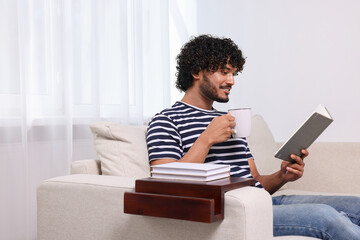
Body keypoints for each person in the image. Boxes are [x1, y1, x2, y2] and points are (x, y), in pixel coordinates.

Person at [146, 34, 360, 239]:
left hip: (262, 202)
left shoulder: (229, 120)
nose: (232, 81)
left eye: (234, 74)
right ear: (196, 71)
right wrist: (206, 139)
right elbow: (166, 185)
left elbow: (255, 181)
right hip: (234, 213)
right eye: (224, 72)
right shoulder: (166, 121)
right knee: (325, 217)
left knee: (356, 206)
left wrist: (282, 176)